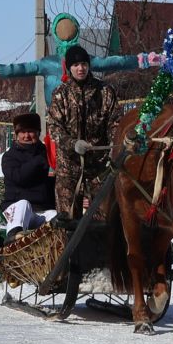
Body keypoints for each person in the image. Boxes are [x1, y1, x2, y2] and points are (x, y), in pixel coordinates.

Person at [46, 44, 117, 222]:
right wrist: (72, 143)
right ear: (69, 68)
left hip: (98, 165)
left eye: (84, 64)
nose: (81, 68)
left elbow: (114, 122)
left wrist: (115, 145)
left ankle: (98, 249)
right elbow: (54, 127)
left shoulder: (105, 92)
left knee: (102, 217)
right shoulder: (60, 94)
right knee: (68, 219)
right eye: (76, 65)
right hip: (69, 166)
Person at [1, 111, 55, 231]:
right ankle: (14, 236)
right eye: (22, 132)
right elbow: (18, 177)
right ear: (16, 134)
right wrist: (39, 161)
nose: (26, 136)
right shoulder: (9, 157)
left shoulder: (48, 154)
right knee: (23, 204)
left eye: (30, 131)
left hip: (42, 210)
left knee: (55, 216)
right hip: (16, 208)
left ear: (38, 132)